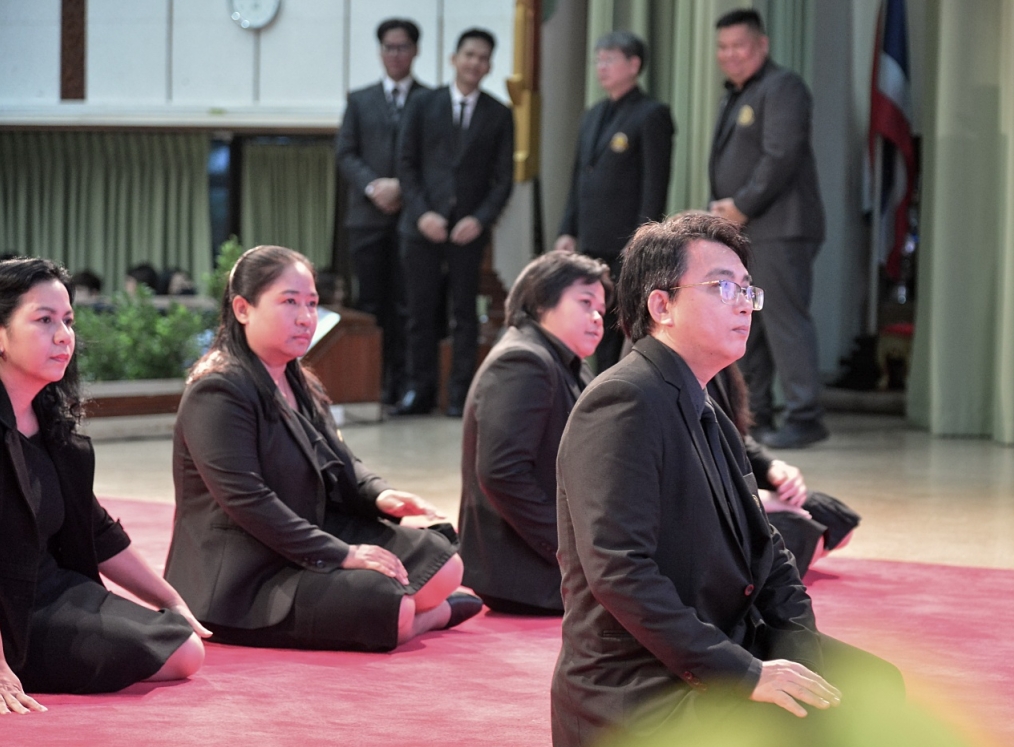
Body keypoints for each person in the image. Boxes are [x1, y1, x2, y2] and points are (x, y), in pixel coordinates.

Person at [551, 212, 902, 747]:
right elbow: (620, 572)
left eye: (747, 290)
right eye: (722, 287)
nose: (744, 305)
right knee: (831, 731)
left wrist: (799, 649)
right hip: (635, 689)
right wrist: (744, 673)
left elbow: (768, 549)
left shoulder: (703, 400)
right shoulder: (622, 402)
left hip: (723, 645)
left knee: (876, 689)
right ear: (661, 306)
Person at [164, 246, 481, 652]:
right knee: (392, 605)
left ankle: (410, 611)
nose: (305, 317)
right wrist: (340, 554)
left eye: (312, 304)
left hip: (307, 534)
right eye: (289, 302)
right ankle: (431, 616)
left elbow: (340, 458)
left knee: (445, 564)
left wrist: (380, 493)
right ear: (243, 309)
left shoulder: (298, 379)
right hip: (246, 573)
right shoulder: (218, 390)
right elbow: (247, 501)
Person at [0, 257, 206, 714]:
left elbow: (95, 527)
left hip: (52, 590)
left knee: (182, 642)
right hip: (10, 612)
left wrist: (171, 599)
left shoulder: (48, 421)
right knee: (179, 652)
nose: (63, 335)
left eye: (68, 321)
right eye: (44, 320)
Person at [459, 251, 610, 616]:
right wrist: (571, 551)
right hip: (525, 574)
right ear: (543, 301)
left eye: (601, 310)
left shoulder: (566, 362)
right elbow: (501, 474)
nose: (597, 318)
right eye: (585, 303)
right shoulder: (524, 360)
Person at [709, 9, 828, 449]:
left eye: (739, 46)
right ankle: (753, 415)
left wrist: (741, 206)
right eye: (723, 47)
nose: (730, 55)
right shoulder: (737, 94)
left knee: (783, 322)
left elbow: (781, 155)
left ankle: (805, 415)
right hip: (746, 230)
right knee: (749, 324)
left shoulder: (783, 87)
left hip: (780, 226)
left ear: (762, 45)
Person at [396, 28, 514, 417]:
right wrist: (422, 213)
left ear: (489, 66)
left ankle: (460, 394)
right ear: (454, 59)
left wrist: (479, 220)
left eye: (483, 58)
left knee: (465, 313)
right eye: (469, 55)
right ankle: (419, 391)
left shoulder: (499, 114)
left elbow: (502, 180)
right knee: (419, 312)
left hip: (468, 232)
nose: (475, 63)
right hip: (422, 227)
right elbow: (406, 165)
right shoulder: (422, 103)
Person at [554, 31, 674, 372]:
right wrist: (567, 229)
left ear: (634, 65)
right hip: (591, 240)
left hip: (625, 243)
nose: (601, 67)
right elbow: (578, 177)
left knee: (619, 323)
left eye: (609, 60)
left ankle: (616, 388)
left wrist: (642, 238)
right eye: (598, 60)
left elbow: (655, 184)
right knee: (590, 318)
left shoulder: (651, 114)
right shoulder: (593, 114)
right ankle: (592, 386)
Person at [336, 18, 427, 406]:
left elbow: (433, 158)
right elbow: (346, 154)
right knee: (370, 305)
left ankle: (406, 387)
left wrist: (402, 188)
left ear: (415, 51)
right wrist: (375, 187)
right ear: (380, 51)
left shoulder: (429, 99)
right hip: (367, 218)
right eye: (389, 47)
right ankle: (372, 385)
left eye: (402, 47)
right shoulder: (359, 100)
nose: (395, 54)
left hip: (412, 218)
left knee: (409, 305)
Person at [708, 365, 860, 577]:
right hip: (702, 512)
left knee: (831, 520)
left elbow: (734, 440)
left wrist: (772, 467)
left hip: (732, 493)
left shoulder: (718, 372)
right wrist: (755, 499)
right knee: (803, 532)